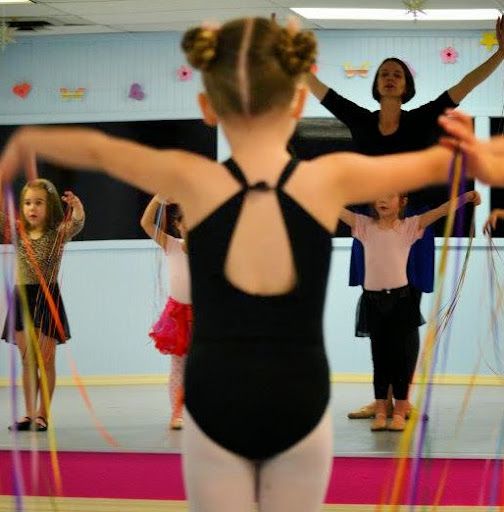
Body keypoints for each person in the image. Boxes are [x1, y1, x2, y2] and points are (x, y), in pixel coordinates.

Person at [0, 17, 492, 512]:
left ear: (208, 108)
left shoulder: (194, 179)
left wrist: (24, 144)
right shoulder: (329, 178)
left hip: (216, 404)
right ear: (297, 105)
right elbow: (459, 163)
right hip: (299, 402)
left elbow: (99, 150)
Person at [307, 17, 504, 420]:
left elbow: (464, 86)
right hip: (371, 225)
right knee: (377, 313)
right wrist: (292, 64)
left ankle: (403, 399)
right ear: (376, 84)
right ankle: (381, 397)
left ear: (406, 85)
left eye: (397, 73)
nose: (390, 77)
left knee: (405, 316)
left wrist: (501, 53)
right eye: (384, 73)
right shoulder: (361, 119)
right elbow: (322, 92)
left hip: (412, 225)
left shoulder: (420, 119)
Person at [339, 190, 481, 431]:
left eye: (389, 196)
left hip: (402, 288)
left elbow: (439, 209)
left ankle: (401, 406)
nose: (382, 199)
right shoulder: (364, 225)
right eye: (380, 196)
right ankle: (382, 406)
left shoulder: (411, 224)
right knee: (379, 351)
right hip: (374, 288)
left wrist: (465, 198)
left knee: (401, 346)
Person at [1, 179, 85, 432]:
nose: (32, 208)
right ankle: (28, 414)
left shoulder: (57, 233)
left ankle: (42, 415)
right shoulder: (18, 232)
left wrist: (77, 207)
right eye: (27, 203)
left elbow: (77, 224)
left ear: (50, 207)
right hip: (22, 298)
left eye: (39, 203)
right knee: (28, 361)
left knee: (46, 362)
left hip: (47, 298)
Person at [140, 195, 192, 430]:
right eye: (187, 221)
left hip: (201, 315)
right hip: (178, 315)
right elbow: (146, 223)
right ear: (178, 224)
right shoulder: (171, 245)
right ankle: (177, 412)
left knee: (201, 366)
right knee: (178, 367)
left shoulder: (208, 249)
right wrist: (158, 199)